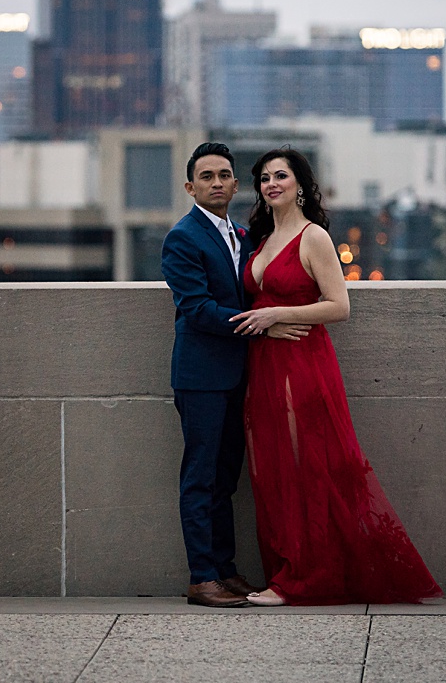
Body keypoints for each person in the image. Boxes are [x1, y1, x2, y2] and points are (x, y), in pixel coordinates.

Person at [230, 147, 442, 606]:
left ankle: (302, 580)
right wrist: (268, 319)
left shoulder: (314, 238)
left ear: (301, 185)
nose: (271, 184)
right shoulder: (260, 239)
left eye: (280, 176)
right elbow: (256, 303)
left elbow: (339, 305)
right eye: (264, 178)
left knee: (305, 469)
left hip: (303, 366)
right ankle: (287, 571)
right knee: (273, 471)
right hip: (264, 366)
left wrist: (279, 314)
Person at [160, 142, 312, 607]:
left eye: (225, 175)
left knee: (226, 477)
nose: (218, 183)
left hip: (237, 375)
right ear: (191, 187)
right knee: (200, 477)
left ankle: (224, 570)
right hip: (201, 375)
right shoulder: (182, 238)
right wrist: (261, 325)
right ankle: (202, 576)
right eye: (207, 177)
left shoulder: (243, 235)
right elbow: (197, 308)